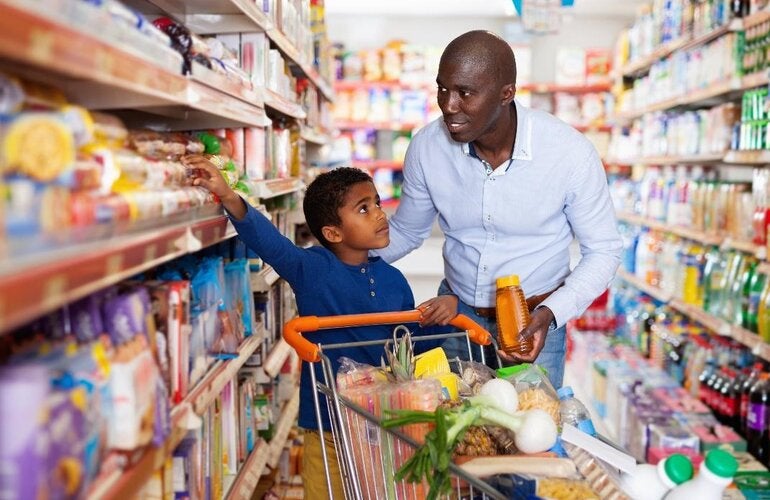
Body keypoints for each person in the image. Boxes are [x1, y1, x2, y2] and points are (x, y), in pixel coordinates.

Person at [182, 157, 458, 499]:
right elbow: (271, 243)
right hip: (327, 425)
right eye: (363, 208)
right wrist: (228, 195)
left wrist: (441, 316)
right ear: (332, 233)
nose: (379, 214)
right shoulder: (313, 269)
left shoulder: (394, 280)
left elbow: (406, 346)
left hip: (384, 426)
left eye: (376, 203)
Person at [374, 30, 622, 389]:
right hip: (456, 317)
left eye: (465, 93)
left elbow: (604, 250)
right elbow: (408, 231)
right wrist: (339, 258)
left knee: (527, 433)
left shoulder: (569, 153)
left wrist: (551, 313)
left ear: (507, 94)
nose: (448, 105)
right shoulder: (427, 147)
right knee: (459, 433)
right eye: (442, 88)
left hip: (533, 322)